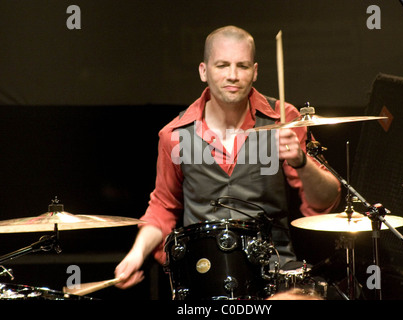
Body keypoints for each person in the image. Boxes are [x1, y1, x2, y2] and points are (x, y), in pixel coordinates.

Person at [114, 25, 341, 294]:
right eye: (222, 65)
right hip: (203, 276)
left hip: (275, 275)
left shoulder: (283, 119)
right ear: (203, 71)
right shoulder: (174, 135)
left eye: (242, 66)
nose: (232, 76)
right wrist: (136, 254)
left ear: (255, 71)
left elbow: (325, 200)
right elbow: (163, 207)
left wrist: (301, 162)